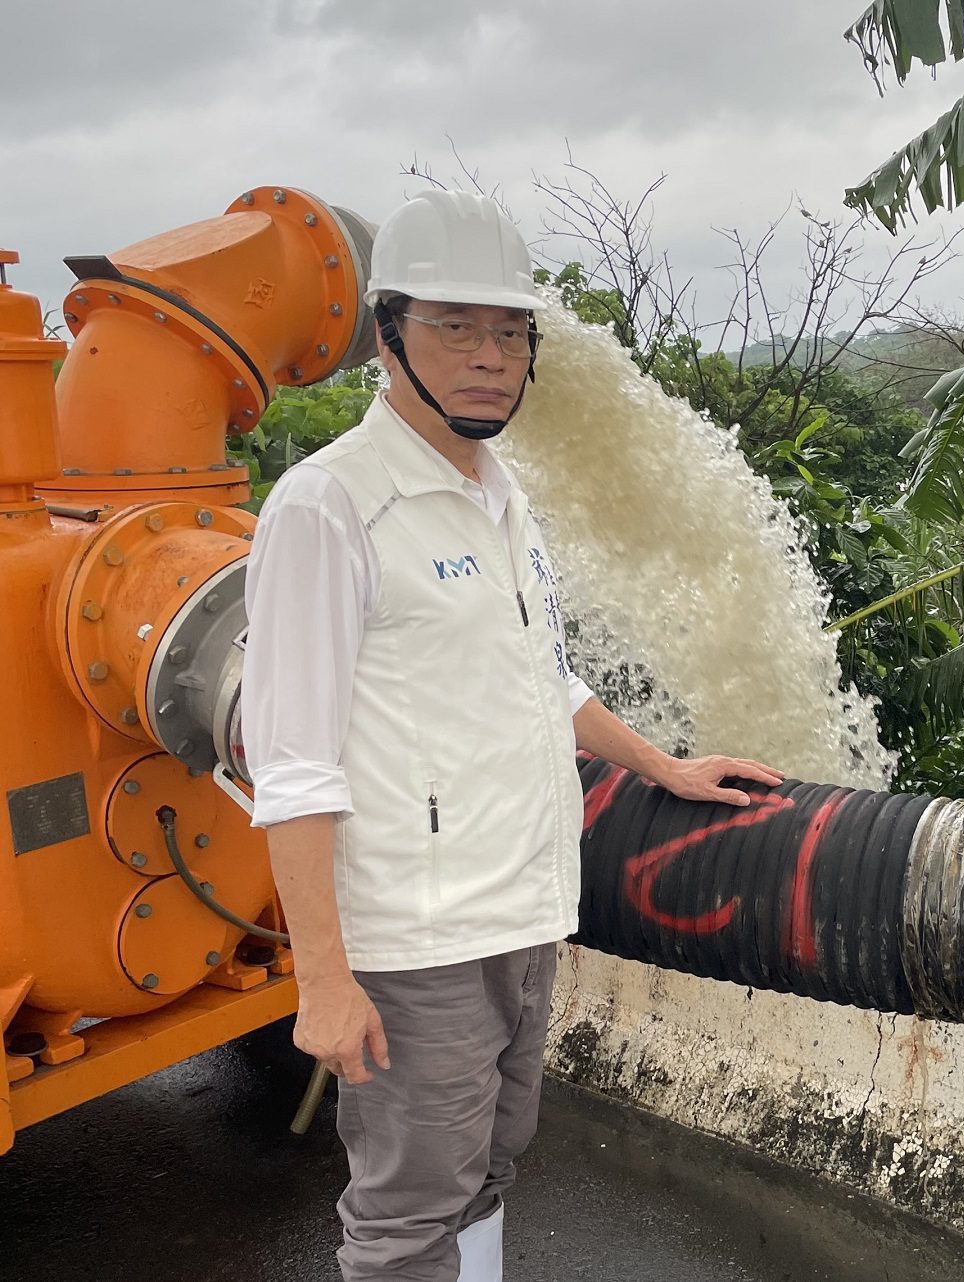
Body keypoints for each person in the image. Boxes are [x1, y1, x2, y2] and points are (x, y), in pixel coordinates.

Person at [242, 189, 783, 1282]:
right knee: (407, 1209)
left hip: (524, 911)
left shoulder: (500, 492)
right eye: (455, 326)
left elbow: (545, 677)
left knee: (489, 1167)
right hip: (417, 941)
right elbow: (290, 764)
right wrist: (323, 979)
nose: (489, 357)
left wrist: (663, 764)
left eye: (509, 332)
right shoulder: (330, 505)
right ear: (387, 333)